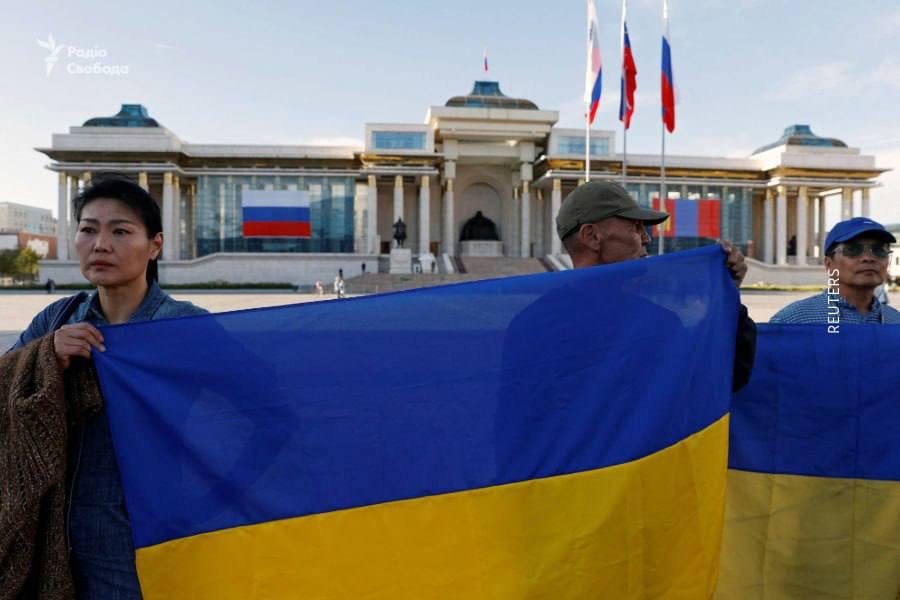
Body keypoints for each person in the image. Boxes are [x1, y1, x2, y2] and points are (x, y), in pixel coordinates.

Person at [9, 174, 207, 598]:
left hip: (147, 539)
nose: (101, 244)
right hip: (54, 536)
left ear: (155, 245)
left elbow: (264, 409)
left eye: (120, 231)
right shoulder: (57, 321)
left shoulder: (187, 327)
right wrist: (46, 357)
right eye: (88, 229)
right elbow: (5, 384)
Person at [556, 180, 757, 392]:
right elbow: (714, 380)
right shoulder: (654, 323)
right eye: (635, 227)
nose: (646, 238)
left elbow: (726, 376)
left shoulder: (533, 320)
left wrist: (725, 295)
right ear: (592, 236)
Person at [770, 217, 900, 324]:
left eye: (879, 250)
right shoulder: (792, 322)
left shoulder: (894, 322)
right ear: (829, 264)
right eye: (853, 250)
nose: (868, 258)